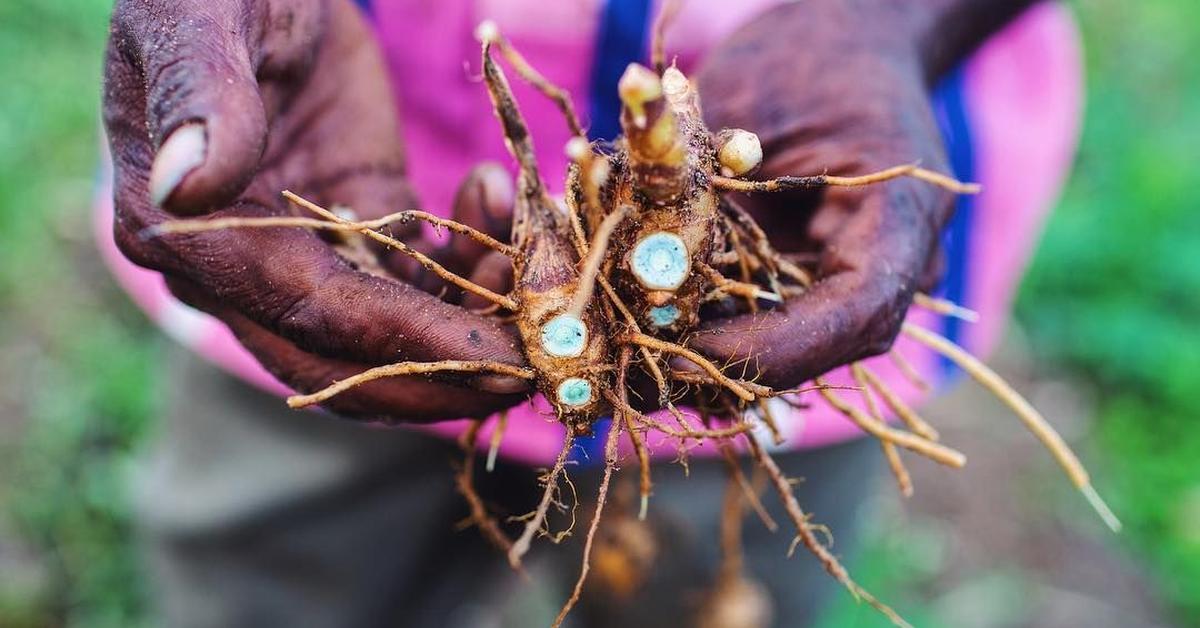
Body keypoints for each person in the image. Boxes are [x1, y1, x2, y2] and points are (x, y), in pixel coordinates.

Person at [98, 0, 1082, 625]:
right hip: (324, 197)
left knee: (719, 590)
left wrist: (894, 19)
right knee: (270, 579)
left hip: (801, 225)